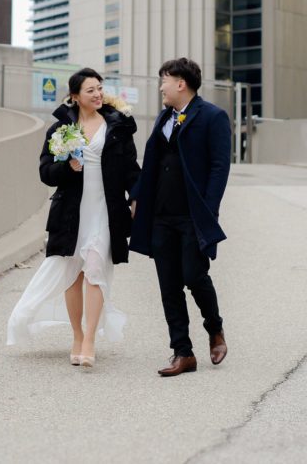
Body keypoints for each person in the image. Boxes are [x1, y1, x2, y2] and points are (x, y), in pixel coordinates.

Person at [7, 68, 140, 368]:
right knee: (73, 275)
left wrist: (136, 196)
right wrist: (68, 169)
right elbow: (45, 173)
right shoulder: (60, 130)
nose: (97, 94)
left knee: (95, 268)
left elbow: (131, 168)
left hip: (105, 210)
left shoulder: (117, 126)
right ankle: (77, 335)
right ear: (75, 96)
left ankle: (90, 338)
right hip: (72, 213)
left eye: (100, 88)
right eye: (90, 90)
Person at [129, 57, 230, 377]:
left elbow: (219, 167)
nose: (161, 87)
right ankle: (182, 352)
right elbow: (154, 163)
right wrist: (137, 197)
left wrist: (208, 209)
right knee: (168, 284)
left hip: (192, 215)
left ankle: (215, 329)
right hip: (161, 214)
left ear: (180, 83)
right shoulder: (164, 118)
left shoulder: (213, 117)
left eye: (164, 81)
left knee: (194, 275)